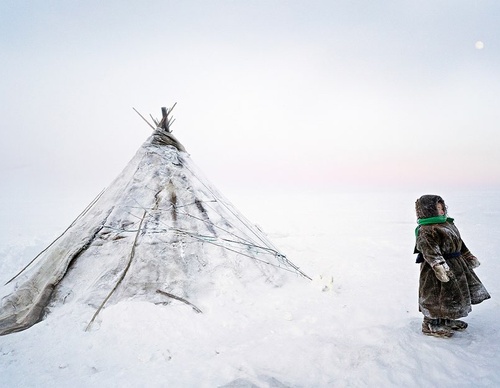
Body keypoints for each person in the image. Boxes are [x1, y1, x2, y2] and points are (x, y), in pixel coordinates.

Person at [414, 194, 490, 338]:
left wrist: (468, 256)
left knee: (451, 295)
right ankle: (431, 324)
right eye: (438, 209)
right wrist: (439, 266)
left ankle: (447, 320)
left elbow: (460, 243)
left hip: (456, 265)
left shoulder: (448, 224)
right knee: (435, 296)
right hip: (435, 270)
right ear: (428, 210)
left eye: (442, 208)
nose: (442, 211)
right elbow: (430, 251)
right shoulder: (426, 230)